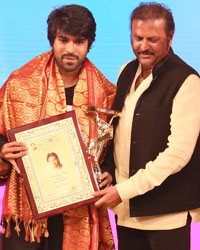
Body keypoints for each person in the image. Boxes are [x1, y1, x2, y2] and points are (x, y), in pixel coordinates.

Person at [0, 4, 116, 250]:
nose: (70, 49)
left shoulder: (106, 94)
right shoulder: (18, 83)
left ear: (89, 43)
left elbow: (115, 147)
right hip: (28, 210)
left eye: (79, 41)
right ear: (52, 39)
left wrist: (109, 171)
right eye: (63, 40)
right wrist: (2, 151)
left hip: (80, 209)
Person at [94, 2, 200, 250]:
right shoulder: (126, 71)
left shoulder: (188, 81)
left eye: (152, 39)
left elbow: (178, 154)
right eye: (137, 38)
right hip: (128, 212)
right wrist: (109, 169)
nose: (143, 46)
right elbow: (118, 130)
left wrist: (124, 190)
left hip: (166, 216)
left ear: (170, 36)